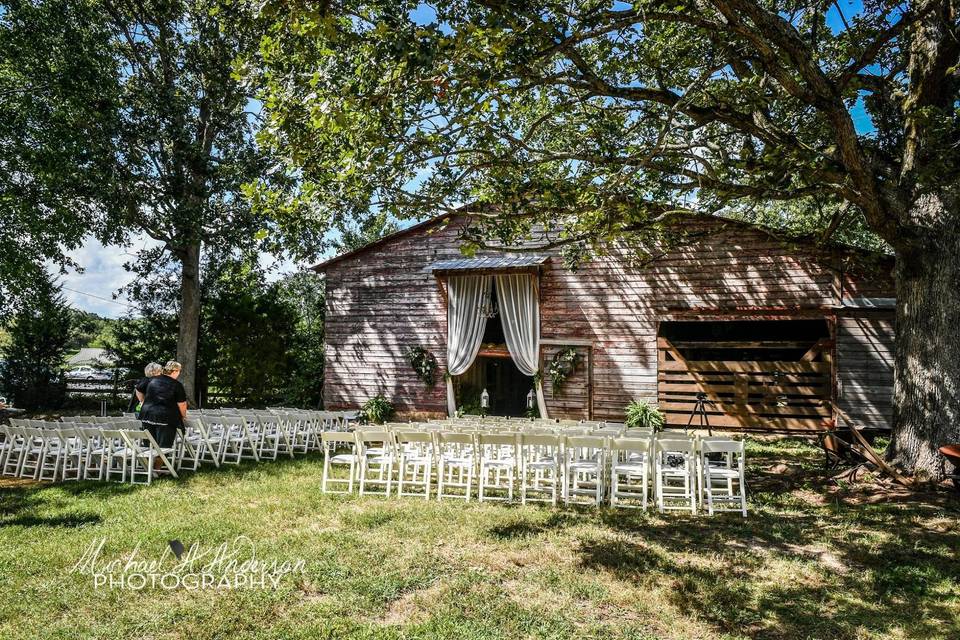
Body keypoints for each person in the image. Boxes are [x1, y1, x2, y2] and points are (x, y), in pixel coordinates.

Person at [137, 360, 188, 448]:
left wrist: (142, 401)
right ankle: (159, 461)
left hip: (147, 415)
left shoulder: (152, 379)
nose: (179, 373)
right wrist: (183, 416)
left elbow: (138, 388)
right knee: (163, 447)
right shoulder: (176, 385)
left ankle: (149, 461)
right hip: (166, 418)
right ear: (175, 371)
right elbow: (182, 404)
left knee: (148, 446)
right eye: (179, 371)